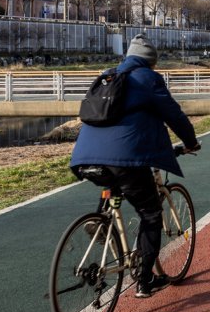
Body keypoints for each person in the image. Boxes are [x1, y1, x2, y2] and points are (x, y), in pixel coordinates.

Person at [70, 34, 200, 298]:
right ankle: (145, 280)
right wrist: (191, 142)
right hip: (125, 159)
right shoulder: (148, 79)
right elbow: (173, 114)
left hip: (85, 158)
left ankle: (102, 220)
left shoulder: (107, 76)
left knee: (114, 182)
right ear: (150, 62)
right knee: (151, 213)